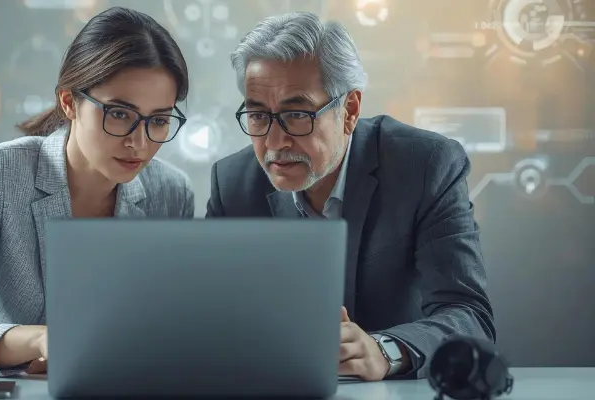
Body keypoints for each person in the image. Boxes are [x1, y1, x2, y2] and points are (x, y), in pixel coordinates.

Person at [206, 12, 495, 381]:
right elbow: (209, 314)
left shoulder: (424, 165)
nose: (275, 142)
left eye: (297, 114)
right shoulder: (232, 183)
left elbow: (470, 316)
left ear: (350, 110)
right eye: (258, 116)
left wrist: (385, 350)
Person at [0, 6, 194, 376]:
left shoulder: (171, 192)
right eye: (119, 114)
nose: (139, 143)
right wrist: (41, 340)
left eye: (158, 120)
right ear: (69, 102)